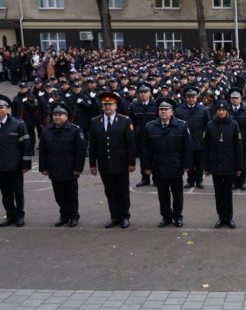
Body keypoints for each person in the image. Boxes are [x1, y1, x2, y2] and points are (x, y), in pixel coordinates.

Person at [0, 94, 33, 227]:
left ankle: (20, 215)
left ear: (7, 109)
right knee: (5, 193)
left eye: (1, 107)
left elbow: (26, 145)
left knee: (18, 192)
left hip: (15, 166)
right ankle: (10, 215)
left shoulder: (18, 124)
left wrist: (25, 164)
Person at [140, 97, 194, 228]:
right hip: (158, 164)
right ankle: (166, 217)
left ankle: (177, 216)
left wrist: (187, 165)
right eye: (161, 109)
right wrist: (146, 167)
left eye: (166, 109)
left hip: (175, 164)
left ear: (172, 111)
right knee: (162, 194)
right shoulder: (150, 126)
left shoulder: (181, 125)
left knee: (177, 194)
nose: (163, 112)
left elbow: (187, 147)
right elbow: (145, 150)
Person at [88, 92, 136, 229]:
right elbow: (92, 145)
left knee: (123, 192)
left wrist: (131, 162)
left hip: (121, 162)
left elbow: (131, 144)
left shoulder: (125, 120)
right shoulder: (95, 121)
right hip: (104, 163)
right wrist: (92, 164)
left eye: (110, 104)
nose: (107, 107)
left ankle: (125, 216)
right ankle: (114, 216)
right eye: (105, 104)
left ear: (116, 106)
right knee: (110, 191)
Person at [39, 102, 86, 227]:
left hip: (69, 168)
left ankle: (73, 216)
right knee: (59, 195)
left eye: (60, 115)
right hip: (54, 168)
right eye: (55, 115)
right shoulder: (46, 130)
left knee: (71, 195)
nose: (57, 117)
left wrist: (78, 168)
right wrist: (43, 167)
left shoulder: (75, 130)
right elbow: (43, 150)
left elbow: (80, 151)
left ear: (66, 116)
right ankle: (63, 215)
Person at [202, 100, 244, 229]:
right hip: (215, 165)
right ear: (216, 111)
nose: (221, 112)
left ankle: (229, 217)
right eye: (219, 110)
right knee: (218, 193)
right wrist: (206, 167)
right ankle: (221, 217)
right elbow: (206, 147)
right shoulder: (210, 125)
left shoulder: (233, 125)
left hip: (229, 165)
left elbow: (238, 148)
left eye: (223, 110)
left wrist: (239, 167)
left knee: (228, 193)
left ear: (227, 111)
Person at [175, 86, 210, 189]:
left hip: (199, 139)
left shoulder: (203, 109)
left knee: (199, 162)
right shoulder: (180, 110)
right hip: (186, 140)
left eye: (193, 97)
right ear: (185, 98)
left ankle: (199, 180)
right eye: (189, 97)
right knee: (188, 162)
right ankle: (190, 180)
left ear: (197, 97)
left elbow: (208, 125)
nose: (191, 99)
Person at [130, 83, 158, 187]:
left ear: (150, 93)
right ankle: (145, 178)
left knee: (155, 158)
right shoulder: (134, 106)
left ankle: (156, 178)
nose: (143, 94)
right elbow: (131, 122)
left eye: (145, 92)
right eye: (141, 92)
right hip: (140, 136)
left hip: (154, 135)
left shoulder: (155, 105)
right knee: (143, 158)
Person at [228, 87, 246, 190]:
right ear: (230, 99)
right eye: (233, 98)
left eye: (237, 98)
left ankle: (242, 181)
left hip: (243, 140)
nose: (235, 100)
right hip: (229, 140)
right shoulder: (227, 110)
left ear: (241, 99)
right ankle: (233, 182)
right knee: (231, 162)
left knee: (242, 162)